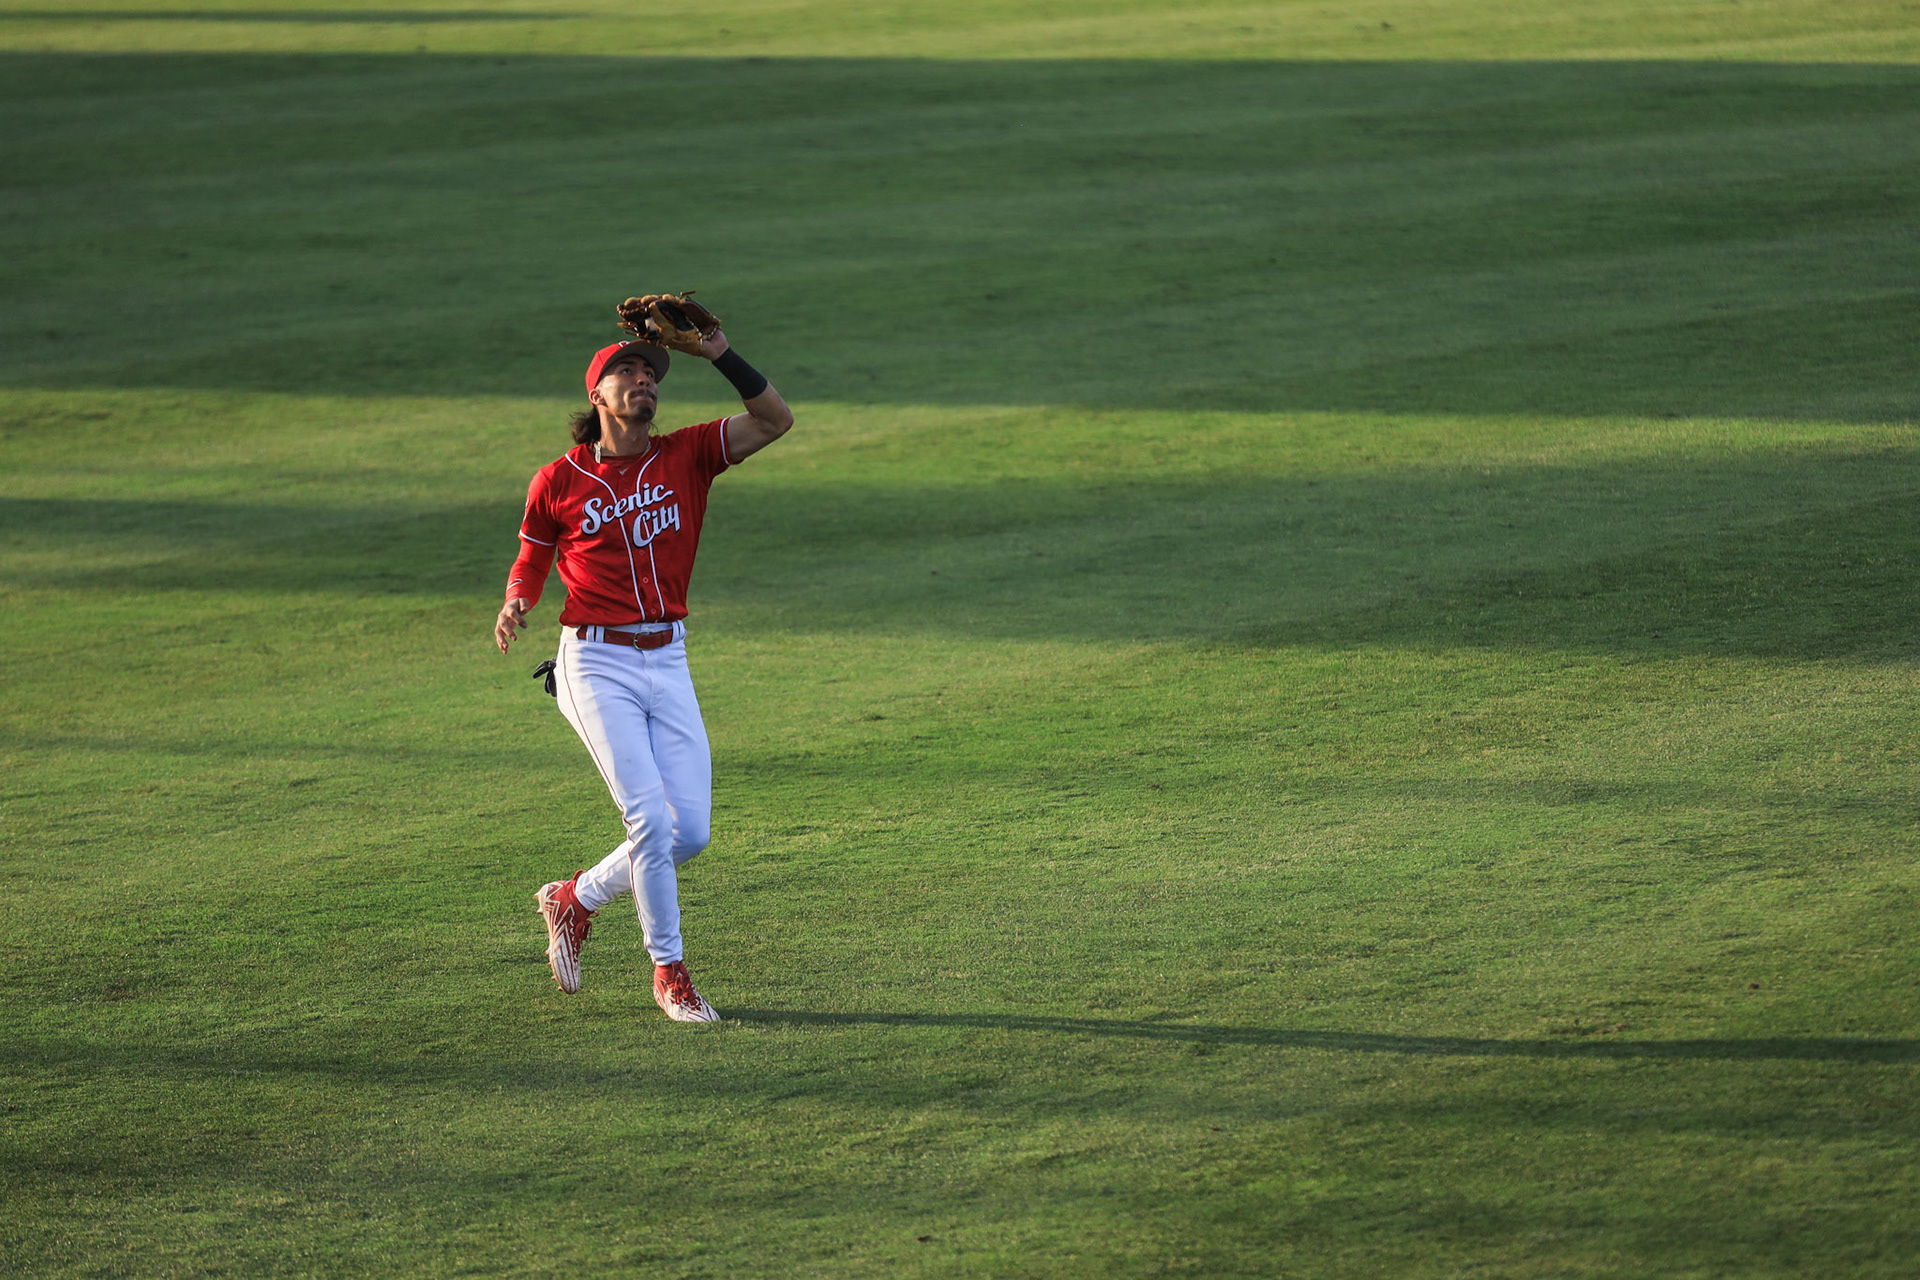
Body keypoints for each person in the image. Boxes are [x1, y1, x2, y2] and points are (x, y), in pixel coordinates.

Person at [495, 313, 792, 1022]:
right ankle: (670, 973)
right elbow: (533, 555)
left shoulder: (687, 454)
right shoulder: (557, 480)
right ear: (597, 394)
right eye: (626, 372)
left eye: (650, 374)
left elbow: (775, 419)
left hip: (669, 656)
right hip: (594, 662)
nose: (643, 382)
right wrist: (516, 600)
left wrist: (718, 351)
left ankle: (577, 897)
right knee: (650, 826)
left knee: (689, 832)